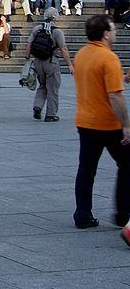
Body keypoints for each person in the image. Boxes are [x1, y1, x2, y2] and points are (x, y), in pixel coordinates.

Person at [72, 14, 130, 230]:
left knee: (86, 169)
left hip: (85, 121)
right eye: (113, 30)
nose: (115, 33)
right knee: (127, 164)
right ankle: (123, 213)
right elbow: (115, 96)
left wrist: (122, 77)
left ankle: (82, 214)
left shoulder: (82, 54)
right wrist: (126, 125)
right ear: (106, 34)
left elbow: (93, 81)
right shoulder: (109, 58)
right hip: (108, 124)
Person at [27, 12, 72, 122]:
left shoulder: (37, 28)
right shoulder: (57, 32)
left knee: (42, 85)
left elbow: (29, 43)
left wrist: (27, 56)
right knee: (52, 88)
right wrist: (70, 64)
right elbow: (63, 49)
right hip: (51, 62)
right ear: (55, 18)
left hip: (38, 61)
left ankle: (37, 106)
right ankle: (50, 114)